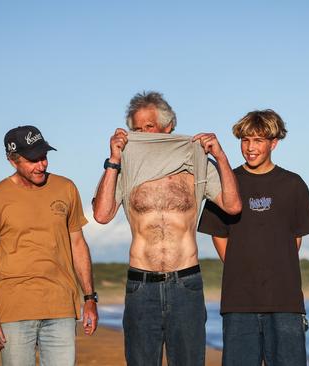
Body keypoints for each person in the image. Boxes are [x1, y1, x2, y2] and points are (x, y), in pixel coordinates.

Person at [92, 91, 242, 365]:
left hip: (185, 284)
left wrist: (220, 157)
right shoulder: (124, 165)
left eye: (149, 127)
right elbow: (102, 214)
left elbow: (233, 206)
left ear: (168, 126)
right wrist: (113, 158)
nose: (144, 134)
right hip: (141, 285)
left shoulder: (195, 163)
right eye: (136, 129)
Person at [197, 110, 309, 366]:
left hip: (286, 301)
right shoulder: (226, 182)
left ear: (273, 143)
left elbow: (295, 238)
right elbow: (219, 235)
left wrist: (273, 268)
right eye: (245, 140)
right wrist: (242, 266)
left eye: (258, 141)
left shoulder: (294, 185)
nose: (250, 148)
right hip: (239, 301)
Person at [0, 125, 98, 366]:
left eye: (43, 156)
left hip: (61, 305)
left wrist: (90, 299)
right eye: (33, 159)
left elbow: (78, 245)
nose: (41, 165)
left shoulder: (66, 188)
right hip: (15, 308)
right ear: (13, 161)